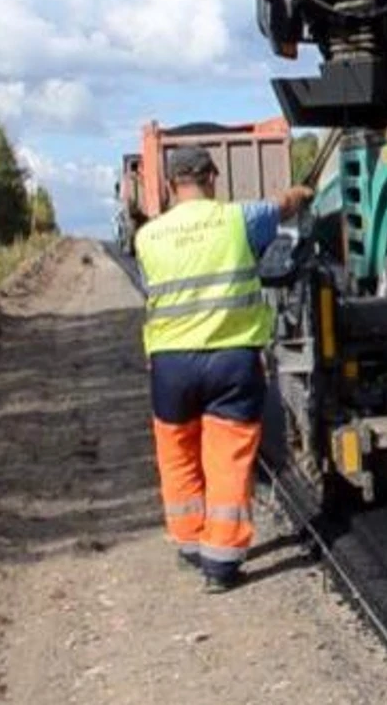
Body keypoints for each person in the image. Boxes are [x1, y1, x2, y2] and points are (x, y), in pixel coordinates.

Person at [135, 147, 312, 593]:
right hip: (232, 361)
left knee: (178, 453)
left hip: (171, 365)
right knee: (228, 457)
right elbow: (283, 205)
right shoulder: (240, 219)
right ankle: (222, 563)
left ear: (172, 185)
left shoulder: (148, 238)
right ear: (213, 177)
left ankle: (190, 543)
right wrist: (303, 191)